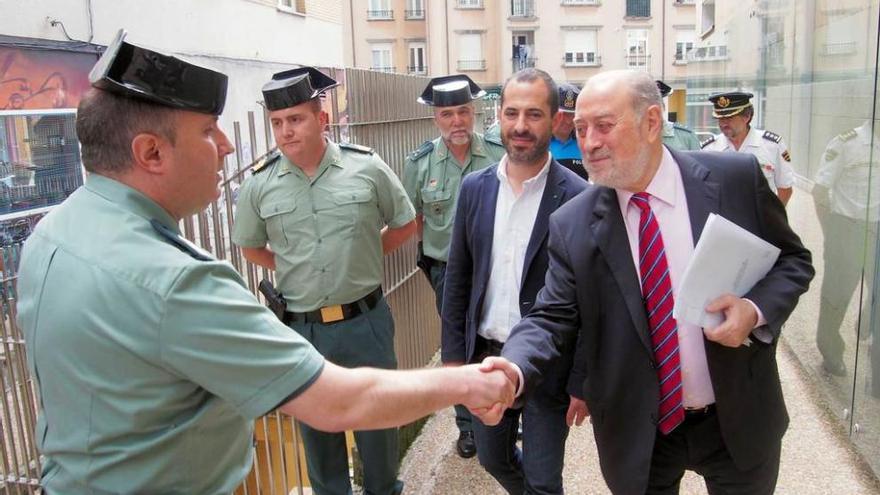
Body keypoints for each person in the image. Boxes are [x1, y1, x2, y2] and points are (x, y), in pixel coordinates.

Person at [14, 32, 515, 494]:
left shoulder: (53, 232)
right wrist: (470, 381)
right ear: (150, 152)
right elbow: (337, 402)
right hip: (292, 337)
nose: (228, 146)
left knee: (378, 457)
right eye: (210, 131)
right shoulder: (174, 281)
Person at [481, 70, 814, 494]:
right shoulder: (573, 224)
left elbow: (793, 260)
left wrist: (755, 310)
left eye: (604, 126)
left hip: (738, 417)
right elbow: (550, 317)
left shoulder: (734, 179)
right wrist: (512, 368)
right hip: (639, 431)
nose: (589, 142)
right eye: (581, 129)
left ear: (652, 123)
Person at [232, 66, 421, 494]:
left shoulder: (366, 167)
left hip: (364, 323)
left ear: (322, 120)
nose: (285, 132)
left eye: (295, 120)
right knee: (319, 446)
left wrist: (363, 257)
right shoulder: (260, 186)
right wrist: (295, 266)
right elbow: (250, 248)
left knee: (378, 436)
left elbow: (405, 223)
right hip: (303, 330)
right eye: (277, 123)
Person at [442, 68, 589, 494]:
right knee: (494, 459)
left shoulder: (578, 196)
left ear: (554, 118)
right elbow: (459, 277)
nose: (521, 126)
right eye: (511, 113)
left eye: (533, 114)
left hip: (547, 365)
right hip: (486, 357)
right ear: (499, 117)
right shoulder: (475, 188)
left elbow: (587, 303)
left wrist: (582, 381)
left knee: (544, 480)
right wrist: (454, 357)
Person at [402, 74, 505, 458]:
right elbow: (412, 219)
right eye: (447, 115)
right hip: (448, 272)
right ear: (436, 119)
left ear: (474, 112)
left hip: (497, 267)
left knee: (501, 337)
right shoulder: (419, 163)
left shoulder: (499, 152)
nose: (457, 122)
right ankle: (468, 427)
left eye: (463, 112)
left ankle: (507, 415)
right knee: (458, 346)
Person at [813, 122, 880, 386]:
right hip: (847, 227)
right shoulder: (846, 143)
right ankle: (830, 351)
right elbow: (820, 192)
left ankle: (866, 326)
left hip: (877, 229)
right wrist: (831, 234)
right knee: (836, 299)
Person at [701, 91, 795, 205]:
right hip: (723, 218)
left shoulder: (772, 145)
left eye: (729, 118)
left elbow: (785, 188)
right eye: (720, 118)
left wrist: (773, 218)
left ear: (746, 116)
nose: (723, 123)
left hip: (760, 218)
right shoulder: (708, 149)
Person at [549, 82, 589, 182]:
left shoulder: (586, 143)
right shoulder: (538, 144)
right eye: (564, 114)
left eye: (572, 114)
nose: (568, 120)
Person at [656, 80, 700, 151]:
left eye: (656, 107)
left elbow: (696, 161)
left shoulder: (685, 137)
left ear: (663, 108)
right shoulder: (634, 138)